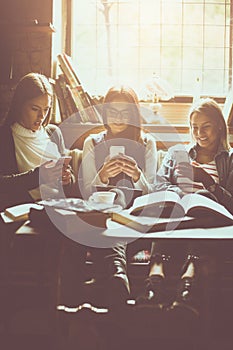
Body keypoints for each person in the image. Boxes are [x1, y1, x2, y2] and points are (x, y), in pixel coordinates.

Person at [138, 98, 233, 316]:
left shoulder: (230, 160)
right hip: (176, 217)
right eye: (194, 127)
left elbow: (231, 204)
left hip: (210, 222)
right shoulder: (176, 154)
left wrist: (207, 183)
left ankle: (187, 284)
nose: (200, 133)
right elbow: (158, 186)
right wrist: (180, 194)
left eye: (206, 127)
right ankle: (155, 282)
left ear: (219, 125)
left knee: (201, 213)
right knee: (168, 214)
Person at [69, 85, 157, 308]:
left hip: (134, 218)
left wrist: (137, 175)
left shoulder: (147, 143)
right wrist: (102, 176)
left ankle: (111, 279)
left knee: (114, 226)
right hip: (102, 218)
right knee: (103, 225)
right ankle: (115, 278)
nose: (117, 118)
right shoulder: (93, 142)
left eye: (124, 112)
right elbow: (87, 194)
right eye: (112, 111)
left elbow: (152, 195)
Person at [0, 72, 73, 211]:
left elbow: (68, 180)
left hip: (59, 210)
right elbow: (2, 184)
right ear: (19, 105)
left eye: (46, 109)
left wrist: (68, 178)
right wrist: (38, 176)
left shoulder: (53, 133)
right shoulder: (4, 137)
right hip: (23, 213)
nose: (41, 116)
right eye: (35, 109)